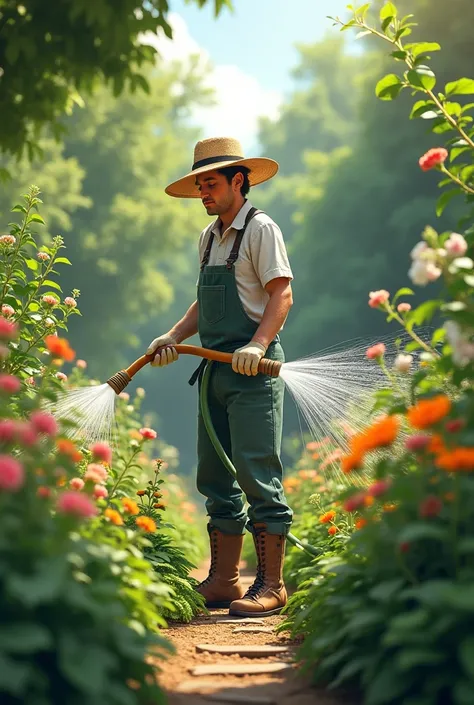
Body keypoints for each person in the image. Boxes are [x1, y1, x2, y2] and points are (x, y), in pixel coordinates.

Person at [147, 137, 294, 617]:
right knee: (214, 476)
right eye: (199, 185)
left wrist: (257, 344)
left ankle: (271, 585)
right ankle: (224, 580)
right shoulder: (209, 237)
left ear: (238, 180)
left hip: (254, 371)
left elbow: (281, 294)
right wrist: (170, 335)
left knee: (257, 472)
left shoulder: (261, 229)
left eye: (210, 183)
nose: (203, 192)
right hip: (213, 370)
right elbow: (203, 302)